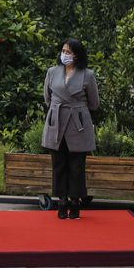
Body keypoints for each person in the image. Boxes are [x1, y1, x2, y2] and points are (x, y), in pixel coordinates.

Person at [40, 38, 99, 220]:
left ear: (77, 55)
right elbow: (47, 97)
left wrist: (77, 109)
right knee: (58, 164)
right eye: (63, 51)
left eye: (69, 52)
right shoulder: (52, 72)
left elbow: (94, 103)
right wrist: (56, 110)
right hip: (56, 121)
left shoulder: (87, 75)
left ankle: (75, 201)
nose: (65, 54)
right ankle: (61, 201)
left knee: (76, 166)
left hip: (77, 123)